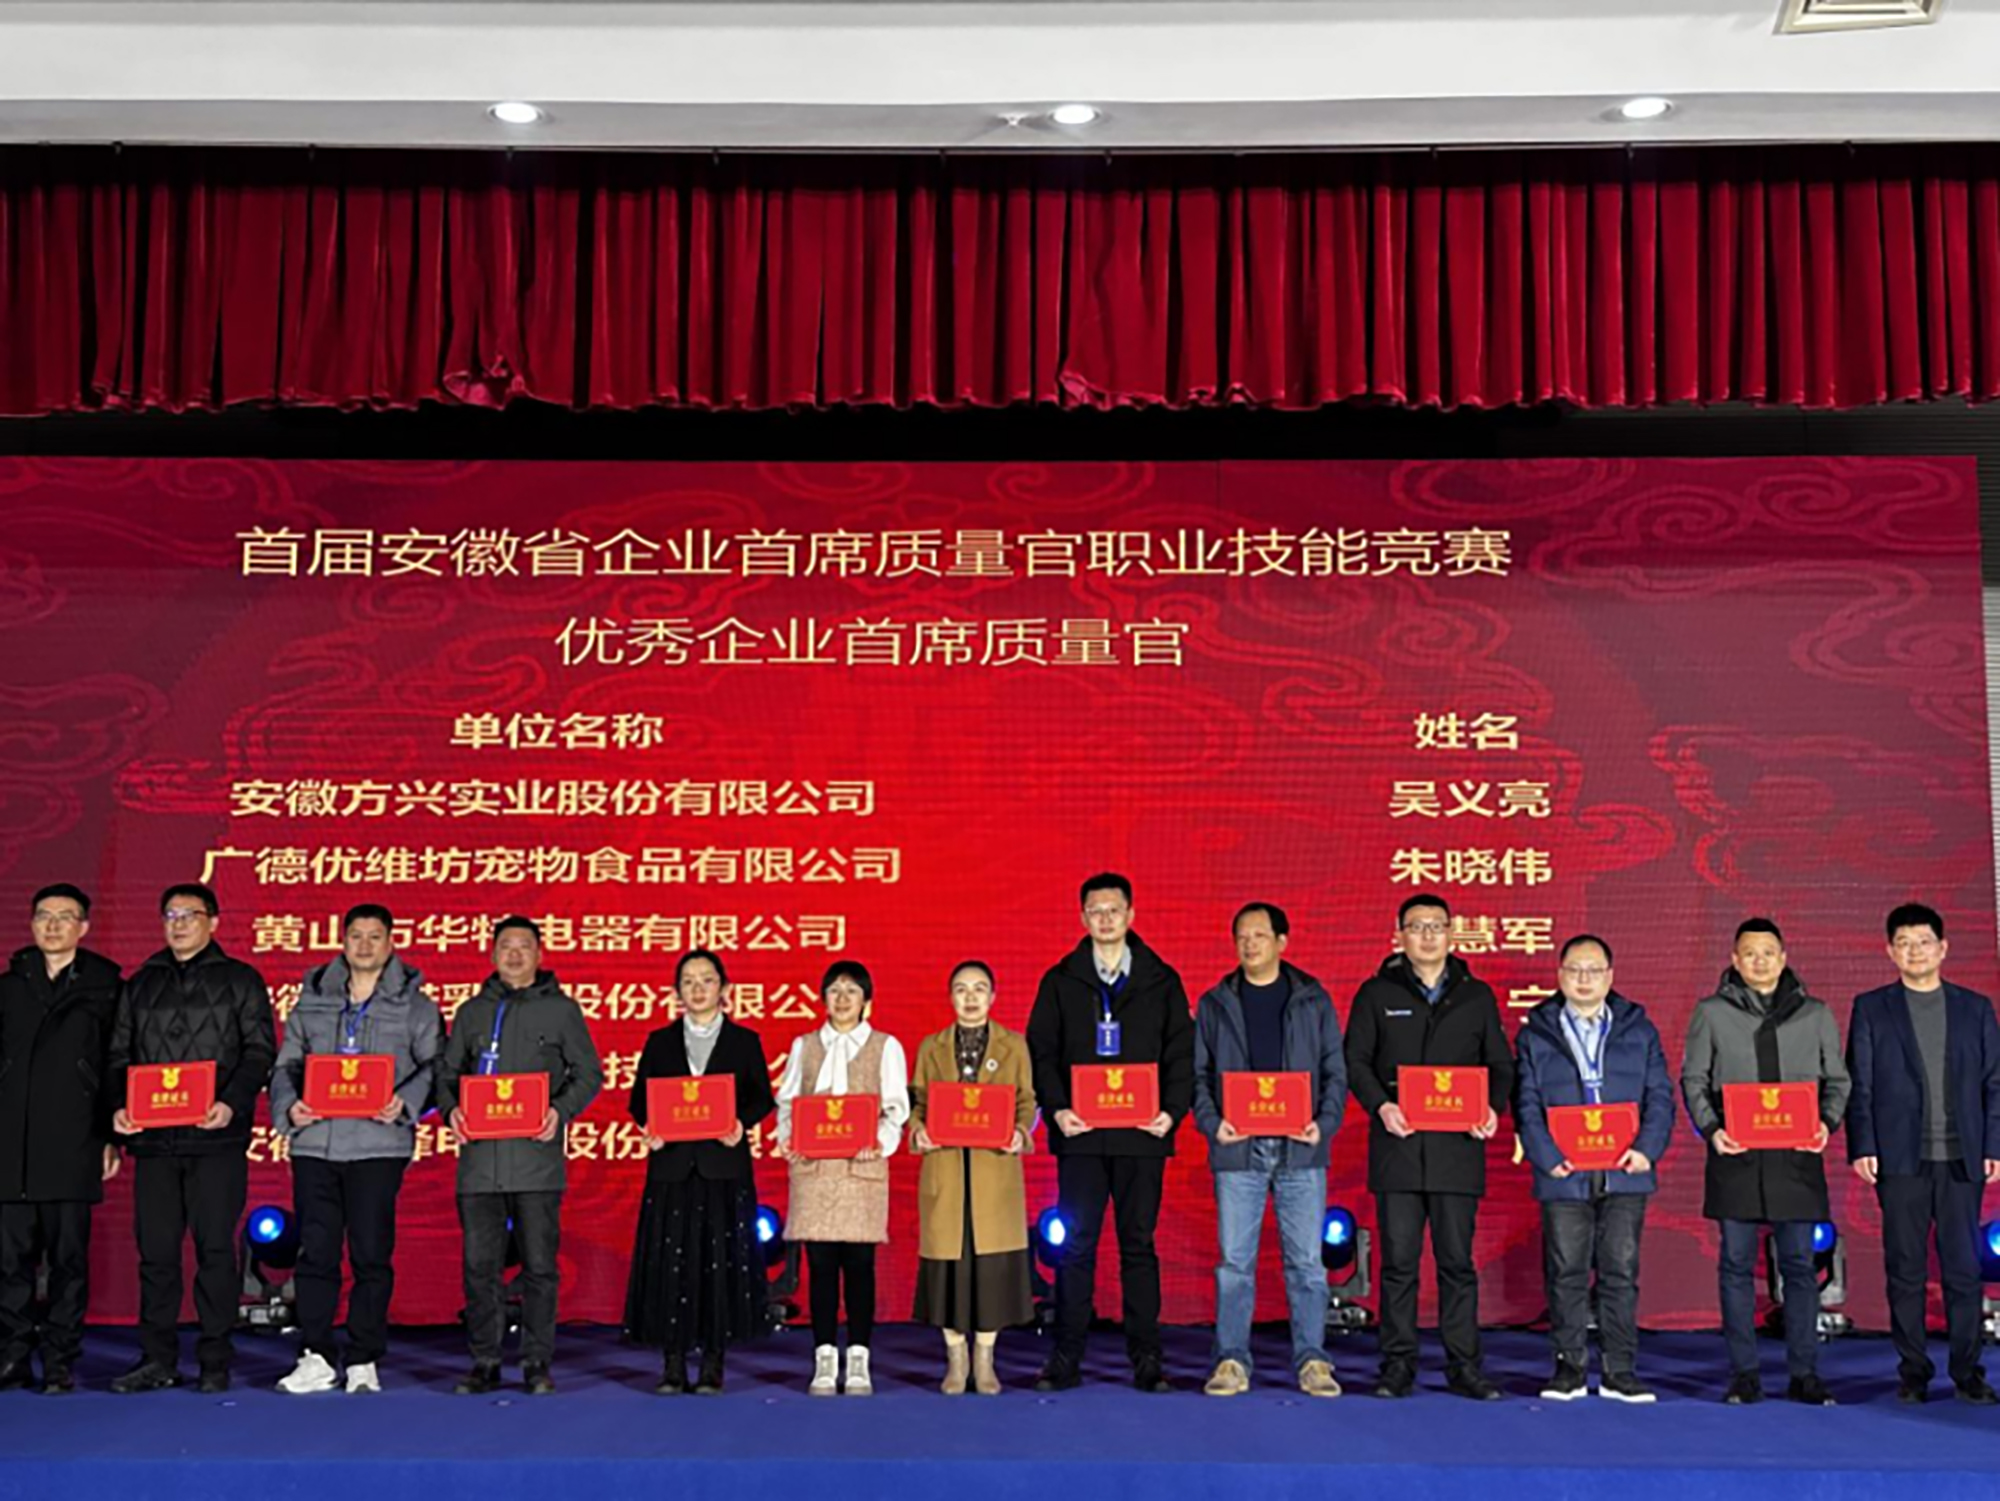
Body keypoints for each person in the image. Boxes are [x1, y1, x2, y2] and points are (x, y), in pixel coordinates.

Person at [107, 881, 277, 1394]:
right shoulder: (141, 983)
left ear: (214, 922)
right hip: (155, 1143)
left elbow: (259, 1052)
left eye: (189, 915)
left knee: (215, 1253)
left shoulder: (240, 980)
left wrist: (232, 1103)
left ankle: (215, 1359)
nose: (178, 924)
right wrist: (119, 1108)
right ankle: (157, 1358)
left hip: (216, 1141)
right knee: (156, 1255)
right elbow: (118, 1056)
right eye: (170, 915)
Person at [1026, 872, 1193, 1393]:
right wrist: (1057, 1110)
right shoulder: (1061, 980)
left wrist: (1172, 1112)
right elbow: (1041, 1052)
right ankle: (1066, 1356)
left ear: (1131, 915)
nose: (1104, 919)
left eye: (1113, 910)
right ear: (1082, 918)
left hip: (1142, 1135)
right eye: (1095, 911)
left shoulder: (1161, 980)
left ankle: (1147, 1357)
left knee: (1138, 1245)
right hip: (1081, 1134)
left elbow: (1182, 1052)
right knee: (1076, 1246)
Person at [1344, 892, 1514, 1401]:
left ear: (1451, 933)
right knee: (1398, 1264)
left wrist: (1491, 1108)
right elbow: (1356, 1061)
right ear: (1399, 935)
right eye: (1416, 926)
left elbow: (1500, 1065)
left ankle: (1464, 1366)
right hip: (1398, 1147)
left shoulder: (1476, 996)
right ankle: (1397, 1365)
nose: (1427, 935)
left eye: (1436, 926)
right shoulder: (1376, 993)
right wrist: (1381, 1106)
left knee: (1456, 1264)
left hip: (1457, 1151)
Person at [269, 903, 442, 1395]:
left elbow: (436, 1067)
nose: (364, 945)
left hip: (377, 1146)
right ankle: (316, 1355)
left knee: (371, 1253)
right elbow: (285, 1067)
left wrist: (405, 1102)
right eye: (356, 936)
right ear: (342, 942)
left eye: (374, 936)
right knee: (316, 1253)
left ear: (391, 943)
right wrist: (290, 1108)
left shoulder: (416, 1007)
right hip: (315, 1144)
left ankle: (364, 1357)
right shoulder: (312, 1001)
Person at [1681, 917, 1850, 1407]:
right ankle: (1744, 1375)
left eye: (1768, 952)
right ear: (1734, 959)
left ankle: (1805, 1374)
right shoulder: (1711, 1013)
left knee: (1799, 1266)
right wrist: (1712, 1130)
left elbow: (1838, 1081)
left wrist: (1826, 1124)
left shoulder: (1815, 1013)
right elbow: (1693, 1080)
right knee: (1735, 1266)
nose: (1759, 961)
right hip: (1736, 1156)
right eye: (1749, 953)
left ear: (1783, 957)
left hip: (1796, 1157)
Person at [436, 915, 602, 1397]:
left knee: (539, 1268)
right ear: (492, 954)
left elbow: (589, 1073)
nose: (513, 954)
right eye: (505, 946)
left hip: (536, 1162)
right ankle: (484, 1360)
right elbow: (447, 1074)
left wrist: (559, 1111)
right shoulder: (471, 1012)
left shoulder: (562, 1011)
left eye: (523, 946)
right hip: (480, 1165)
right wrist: (450, 1111)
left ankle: (536, 1362)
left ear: (539, 954)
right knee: (479, 1268)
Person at [1190, 901, 1347, 1398]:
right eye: (1242, 936)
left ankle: (1313, 1360)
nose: (1249, 944)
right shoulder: (1215, 1003)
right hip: (1239, 1148)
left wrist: (1324, 1124)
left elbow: (1335, 1072)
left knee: (1307, 1263)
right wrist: (1212, 1124)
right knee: (1235, 1263)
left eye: (1259, 935)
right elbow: (1198, 1076)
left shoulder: (1312, 999)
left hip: (1301, 1148)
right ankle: (1231, 1360)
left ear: (1282, 942)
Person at [1846, 902, 2000, 1405]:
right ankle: (1913, 1372)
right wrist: (1864, 1145)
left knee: (1964, 1270)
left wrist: (1993, 1145)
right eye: (1904, 943)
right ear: (1890, 951)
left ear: (1943, 948)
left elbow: (1994, 1083)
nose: (1915, 951)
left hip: (1962, 1158)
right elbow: (1860, 1083)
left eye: (1924, 942)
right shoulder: (1872, 1008)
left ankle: (1967, 1372)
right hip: (1899, 1160)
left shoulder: (1975, 1008)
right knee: (1905, 1270)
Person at [1513, 934, 1676, 1403]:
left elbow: (1659, 1096)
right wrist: (1547, 1157)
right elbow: (1525, 1103)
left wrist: (1646, 1150)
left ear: (1610, 976)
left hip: (1626, 1169)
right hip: (1563, 1172)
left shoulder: (1638, 1029)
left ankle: (1619, 1371)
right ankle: (1568, 1369)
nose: (1583, 979)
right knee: (1566, 1272)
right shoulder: (1536, 1032)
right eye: (1574, 970)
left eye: (1593, 970)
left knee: (1619, 1272)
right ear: (1560, 975)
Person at [626, 948, 776, 1396]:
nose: (697, 988)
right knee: (671, 1265)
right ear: (677, 992)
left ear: (724, 989)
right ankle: (672, 1363)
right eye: (688, 981)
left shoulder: (744, 1040)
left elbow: (762, 1097)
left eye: (706, 980)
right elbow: (639, 1100)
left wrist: (741, 1124)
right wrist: (651, 1126)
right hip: (672, 1167)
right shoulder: (660, 1041)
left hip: (723, 1166)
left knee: (719, 1265)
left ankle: (713, 1362)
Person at [0, 884, 122, 1394]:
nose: (52, 926)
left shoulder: (106, 988)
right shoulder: (9, 987)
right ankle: (11, 1356)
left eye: (65, 917)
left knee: (68, 1262)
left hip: (74, 1142)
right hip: (11, 1146)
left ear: (83, 927)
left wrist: (110, 1135)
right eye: (43, 916)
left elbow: (116, 1065)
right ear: (31, 924)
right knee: (9, 1263)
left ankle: (59, 1360)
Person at [773, 960, 909, 1397]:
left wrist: (880, 1142)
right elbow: (788, 1102)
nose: (843, 998)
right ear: (823, 999)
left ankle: (860, 1359)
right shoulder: (805, 1045)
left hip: (861, 1170)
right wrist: (789, 1139)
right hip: (815, 1172)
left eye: (852, 990)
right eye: (834, 990)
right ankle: (824, 1357)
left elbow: (896, 1109)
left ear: (867, 999)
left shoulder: (885, 1046)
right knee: (821, 1267)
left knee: (860, 1267)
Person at [910, 960, 1038, 1395]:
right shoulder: (932, 1047)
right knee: (949, 1268)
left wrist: (1020, 1132)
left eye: (979, 988)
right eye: (962, 989)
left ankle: (985, 1358)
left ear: (993, 997)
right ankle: (955, 1358)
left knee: (990, 1271)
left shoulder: (1013, 1045)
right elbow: (917, 1103)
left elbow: (1026, 1101)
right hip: (946, 1169)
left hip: (993, 1169)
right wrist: (918, 1130)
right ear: (950, 997)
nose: (970, 997)